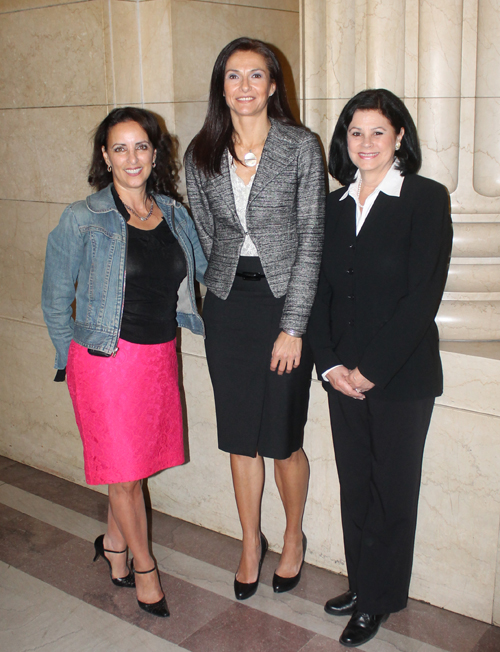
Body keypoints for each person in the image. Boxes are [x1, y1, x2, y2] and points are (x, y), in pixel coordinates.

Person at [41, 107, 206, 618]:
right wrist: (71, 356)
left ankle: (114, 544)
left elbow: (205, 269)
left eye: (141, 147)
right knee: (126, 475)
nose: (131, 158)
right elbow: (53, 298)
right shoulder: (81, 217)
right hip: (104, 360)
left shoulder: (174, 213)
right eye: (119, 148)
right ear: (105, 157)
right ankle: (145, 570)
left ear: (156, 155)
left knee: (131, 468)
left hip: (158, 357)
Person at [308, 88, 452, 647]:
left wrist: (369, 369)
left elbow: (423, 297)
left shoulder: (424, 198)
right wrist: (330, 365)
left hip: (401, 377)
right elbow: (317, 291)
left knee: (393, 491)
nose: (365, 143)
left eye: (377, 132)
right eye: (354, 132)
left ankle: (381, 598)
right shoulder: (334, 204)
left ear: (398, 139)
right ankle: (362, 583)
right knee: (356, 488)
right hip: (340, 376)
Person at [185, 37, 325, 600]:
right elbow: (201, 231)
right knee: (240, 438)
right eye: (234, 75)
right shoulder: (202, 150)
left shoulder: (300, 147)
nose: (245, 86)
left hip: (283, 303)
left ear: (273, 85)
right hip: (228, 306)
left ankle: (293, 536)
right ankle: (250, 542)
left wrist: (293, 326)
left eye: (256, 75)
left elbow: (312, 237)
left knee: (283, 437)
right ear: (221, 85)